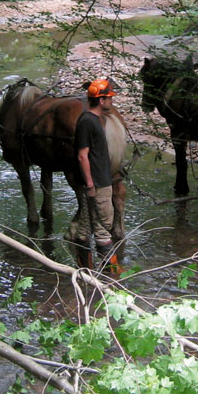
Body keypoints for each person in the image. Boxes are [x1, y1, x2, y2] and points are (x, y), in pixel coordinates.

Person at [72, 77, 119, 270]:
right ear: (101, 100)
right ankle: (113, 276)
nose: (111, 101)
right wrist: (91, 185)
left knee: (84, 228)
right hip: (97, 185)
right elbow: (82, 156)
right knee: (103, 229)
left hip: (97, 183)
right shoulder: (87, 121)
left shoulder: (92, 120)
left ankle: (85, 271)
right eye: (109, 98)